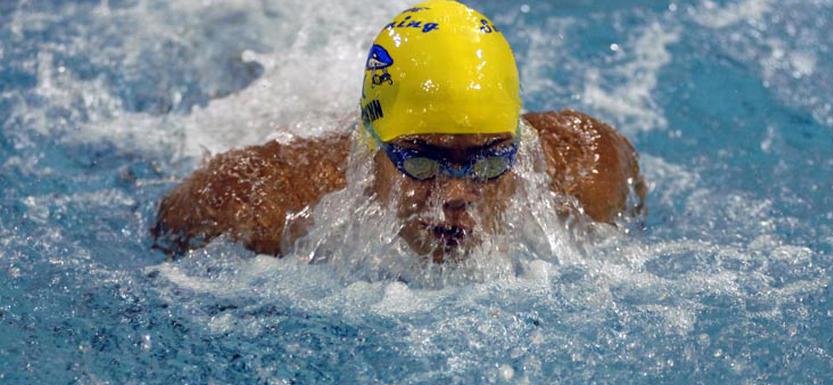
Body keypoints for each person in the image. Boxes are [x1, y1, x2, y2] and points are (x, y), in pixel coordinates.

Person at [152, 0, 647, 262]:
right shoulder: (262, 205)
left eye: (487, 159)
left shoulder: (591, 170)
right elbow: (163, 233)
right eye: (422, 158)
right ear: (370, 147)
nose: (455, 195)